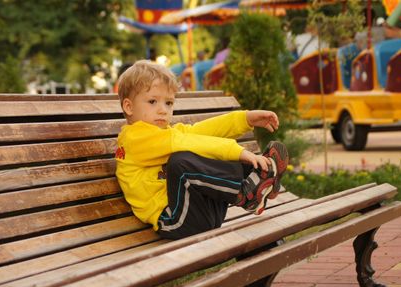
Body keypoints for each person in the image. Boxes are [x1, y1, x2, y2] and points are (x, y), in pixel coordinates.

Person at [115, 60, 289, 240]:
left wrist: (245, 119)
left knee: (206, 152)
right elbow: (187, 141)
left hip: (199, 211)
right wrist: (238, 152)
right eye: (152, 101)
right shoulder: (135, 139)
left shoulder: (164, 134)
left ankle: (260, 176)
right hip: (175, 220)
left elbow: (199, 131)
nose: (163, 110)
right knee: (180, 162)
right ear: (129, 107)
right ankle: (248, 194)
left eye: (168, 103)